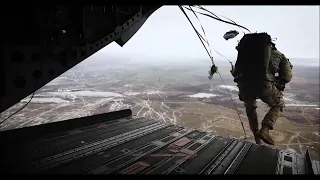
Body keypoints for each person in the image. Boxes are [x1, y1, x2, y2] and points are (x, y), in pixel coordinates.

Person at [231, 42, 293, 145]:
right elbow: (287, 77)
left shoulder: (246, 54)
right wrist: (276, 79)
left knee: (250, 110)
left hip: (244, 87)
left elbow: (235, 73)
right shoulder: (279, 55)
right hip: (263, 86)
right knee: (279, 104)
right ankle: (265, 130)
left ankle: (257, 138)